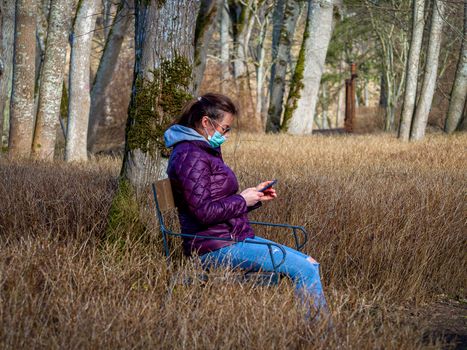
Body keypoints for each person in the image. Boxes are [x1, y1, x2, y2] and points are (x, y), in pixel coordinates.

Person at [164, 93, 329, 316]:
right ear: (206, 122)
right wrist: (242, 200)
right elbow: (203, 212)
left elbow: (214, 202)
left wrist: (252, 198)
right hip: (214, 247)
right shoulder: (190, 156)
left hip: (230, 238)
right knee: (306, 269)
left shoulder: (201, 151)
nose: (226, 134)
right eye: (225, 128)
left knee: (310, 263)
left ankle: (315, 332)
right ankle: (319, 337)